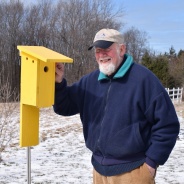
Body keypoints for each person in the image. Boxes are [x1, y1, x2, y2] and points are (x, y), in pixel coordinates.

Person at [53, 28, 180, 184]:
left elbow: (168, 125)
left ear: (122, 49)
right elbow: (64, 106)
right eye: (98, 51)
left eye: (107, 49)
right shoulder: (89, 82)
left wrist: (152, 162)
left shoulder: (144, 80)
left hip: (134, 172)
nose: (102, 55)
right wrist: (58, 83)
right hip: (99, 172)